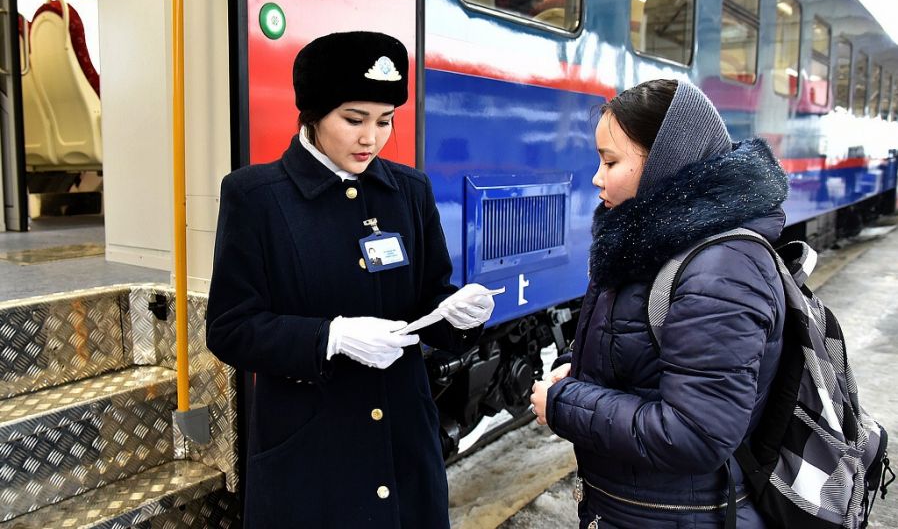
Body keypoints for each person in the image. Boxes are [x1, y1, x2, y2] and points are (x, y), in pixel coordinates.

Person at [206, 31, 498, 528]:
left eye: (385, 121)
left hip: (402, 445)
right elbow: (230, 327)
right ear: (314, 114)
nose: (371, 138)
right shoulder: (256, 197)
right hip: (311, 455)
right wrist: (330, 338)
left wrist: (460, 315)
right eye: (353, 119)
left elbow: (431, 299)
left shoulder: (408, 190)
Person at [530, 79, 789, 528]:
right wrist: (576, 366)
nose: (596, 177)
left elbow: (696, 434)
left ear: (666, 163)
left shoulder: (722, 269)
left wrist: (565, 403)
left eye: (610, 161)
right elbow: (635, 348)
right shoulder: (644, 242)